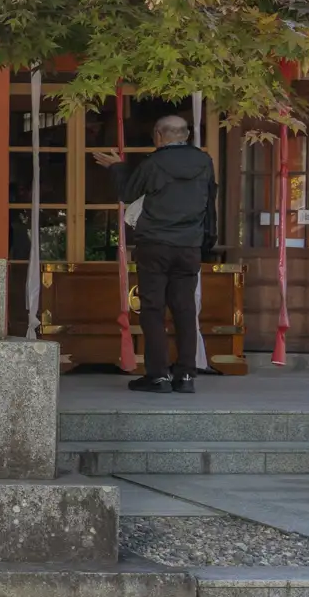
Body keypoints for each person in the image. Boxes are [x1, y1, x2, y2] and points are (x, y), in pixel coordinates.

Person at [91, 114, 217, 393]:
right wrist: (206, 240)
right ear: (186, 135)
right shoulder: (204, 162)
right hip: (189, 245)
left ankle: (158, 376)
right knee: (185, 308)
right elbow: (211, 203)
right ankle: (186, 376)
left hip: (155, 244)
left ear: (159, 135)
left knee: (153, 308)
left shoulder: (154, 163)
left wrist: (118, 168)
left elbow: (128, 192)